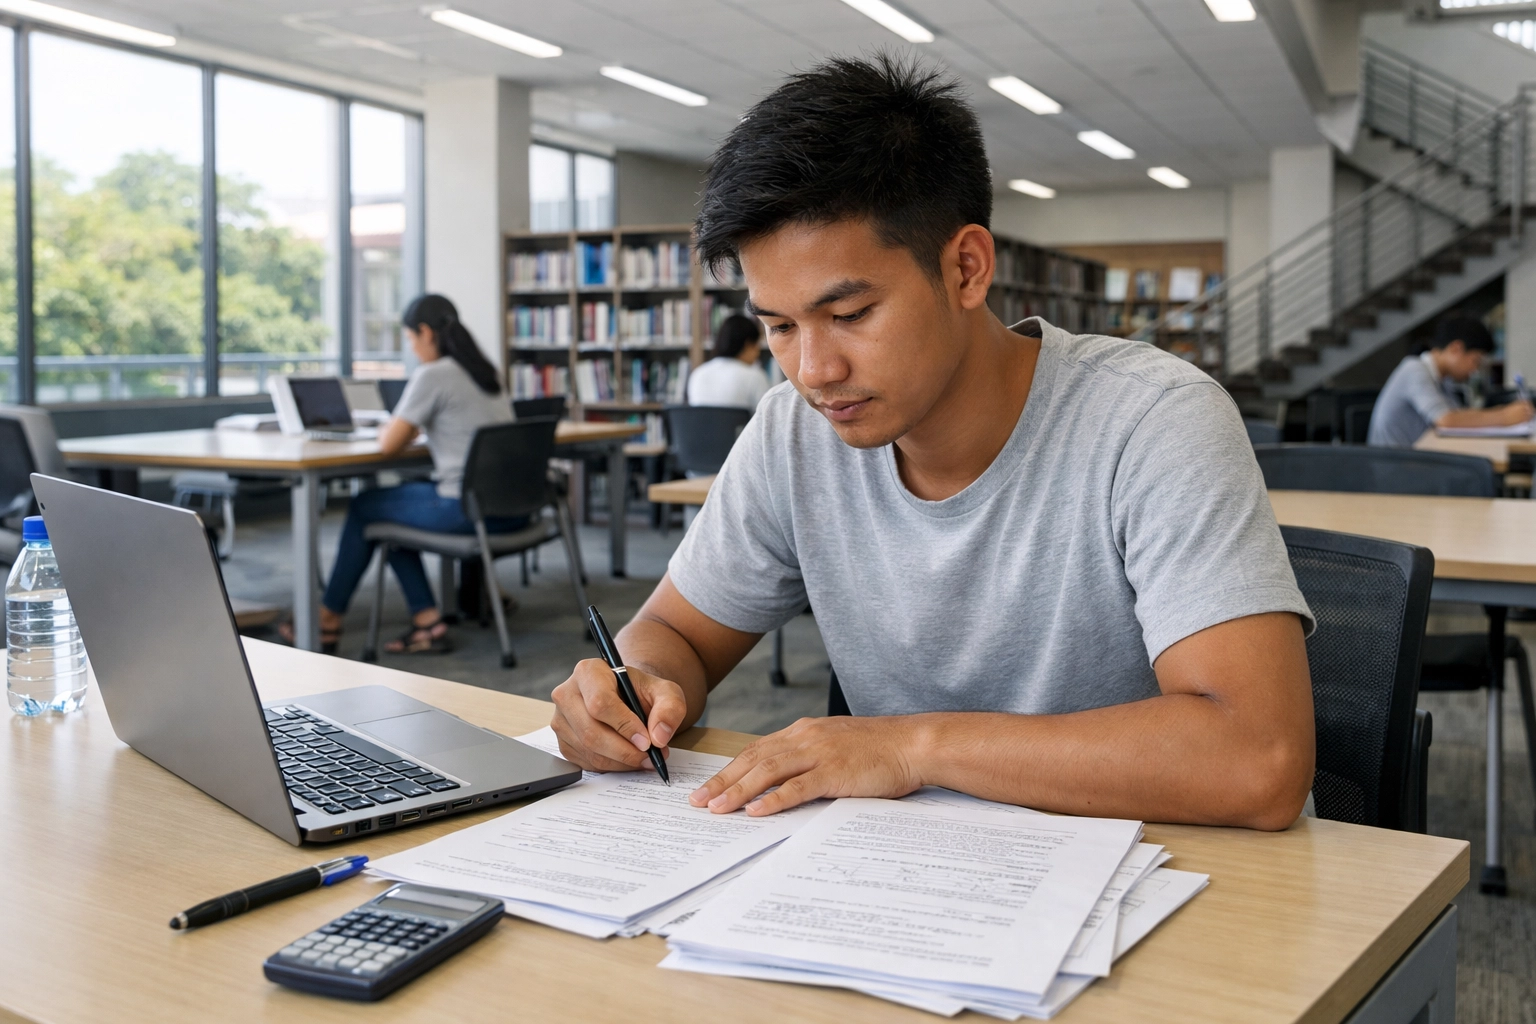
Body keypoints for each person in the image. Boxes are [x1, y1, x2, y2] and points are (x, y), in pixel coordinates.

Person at [550, 54, 1316, 831]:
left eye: (849, 314)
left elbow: (1258, 760)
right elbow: (677, 631)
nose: (814, 370)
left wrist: (913, 748)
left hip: (1171, 874)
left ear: (967, 269)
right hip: (920, 879)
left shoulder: (1153, 420)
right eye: (778, 326)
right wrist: (634, 683)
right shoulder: (791, 433)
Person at [283, 294, 514, 655]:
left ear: (424, 332)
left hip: (466, 510)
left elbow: (390, 444)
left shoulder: (434, 374)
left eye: (409, 339)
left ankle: (328, 618)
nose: (412, 348)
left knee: (366, 508)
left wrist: (383, 426)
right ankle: (427, 621)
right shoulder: (486, 371)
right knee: (392, 513)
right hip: (511, 508)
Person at [1367, 315, 1532, 447]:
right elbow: (1446, 421)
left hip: (1413, 463)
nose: (1475, 370)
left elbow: (1459, 417)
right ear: (1456, 349)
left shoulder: (1442, 380)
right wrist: (1504, 416)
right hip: (1394, 471)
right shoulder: (1414, 370)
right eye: (1476, 360)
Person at [686, 314, 771, 410]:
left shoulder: (698, 374)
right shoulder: (754, 376)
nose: (758, 353)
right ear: (747, 344)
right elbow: (769, 417)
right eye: (756, 345)